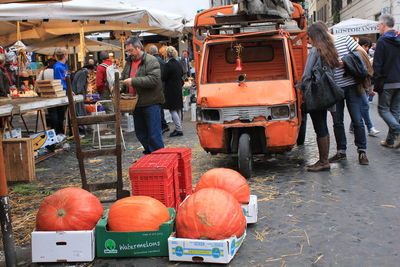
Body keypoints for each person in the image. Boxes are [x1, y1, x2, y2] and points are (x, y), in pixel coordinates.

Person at [298, 22, 340, 171]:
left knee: (319, 126)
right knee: (323, 124)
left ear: (315, 36)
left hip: (316, 93)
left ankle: (323, 162)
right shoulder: (329, 48)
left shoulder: (315, 51)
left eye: (309, 37)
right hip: (326, 92)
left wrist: (301, 88)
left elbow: (307, 74)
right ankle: (324, 160)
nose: (308, 40)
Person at [329, 25, 370, 165]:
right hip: (335, 89)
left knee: (357, 120)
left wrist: (346, 62)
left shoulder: (345, 39)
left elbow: (361, 54)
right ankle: (341, 152)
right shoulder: (321, 47)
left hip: (352, 86)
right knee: (337, 122)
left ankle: (362, 151)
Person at [121, 36, 164, 154]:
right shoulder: (129, 62)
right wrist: (119, 86)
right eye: (127, 51)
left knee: (154, 134)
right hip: (135, 103)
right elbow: (124, 77)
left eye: (131, 50)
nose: (129, 54)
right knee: (140, 133)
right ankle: (149, 154)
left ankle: (158, 158)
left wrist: (133, 81)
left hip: (151, 102)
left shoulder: (151, 60)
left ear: (138, 47)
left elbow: (154, 80)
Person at [373, 14, 400, 148]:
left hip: (387, 81)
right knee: (394, 111)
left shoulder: (382, 41)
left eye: (379, 25)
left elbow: (377, 65)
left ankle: (398, 129)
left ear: (383, 25)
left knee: (383, 109)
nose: (378, 28)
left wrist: (376, 82)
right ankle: (390, 140)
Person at [348, 37, 380, 137]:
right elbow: (365, 71)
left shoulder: (361, 54)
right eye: (366, 46)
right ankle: (370, 127)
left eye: (368, 47)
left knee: (361, 107)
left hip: (363, 85)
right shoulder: (358, 54)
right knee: (364, 106)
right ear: (361, 45)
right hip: (360, 85)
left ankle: (352, 126)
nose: (366, 48)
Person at [147, 44, 170, 134]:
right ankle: (163, 125)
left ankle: (163, 125)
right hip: (162, 85)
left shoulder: (153, 61)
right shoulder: (162, 60)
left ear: (151, 53)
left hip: (157, 86)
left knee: (158, 107)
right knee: (160, 106)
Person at [163, 46, 184, 137]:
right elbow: (182, 74)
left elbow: (163, 77)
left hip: (171, 89)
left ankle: (178, 129)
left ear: (167, 54)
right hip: (178, 87)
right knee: (178, 108)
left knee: (172, 109)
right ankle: (179, 127)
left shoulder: (168, 65)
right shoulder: (178, 63)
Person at [48, 48, 69, 134]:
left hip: (65, 92)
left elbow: (66, 80)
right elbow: (60, 81)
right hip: (61, 93)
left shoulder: (64, 66)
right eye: (67, 54)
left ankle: (60, 133)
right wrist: (67, 90)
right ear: (64, 55)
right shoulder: (58, 67)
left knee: (62, 115)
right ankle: (58, 133)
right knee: (60, 116)